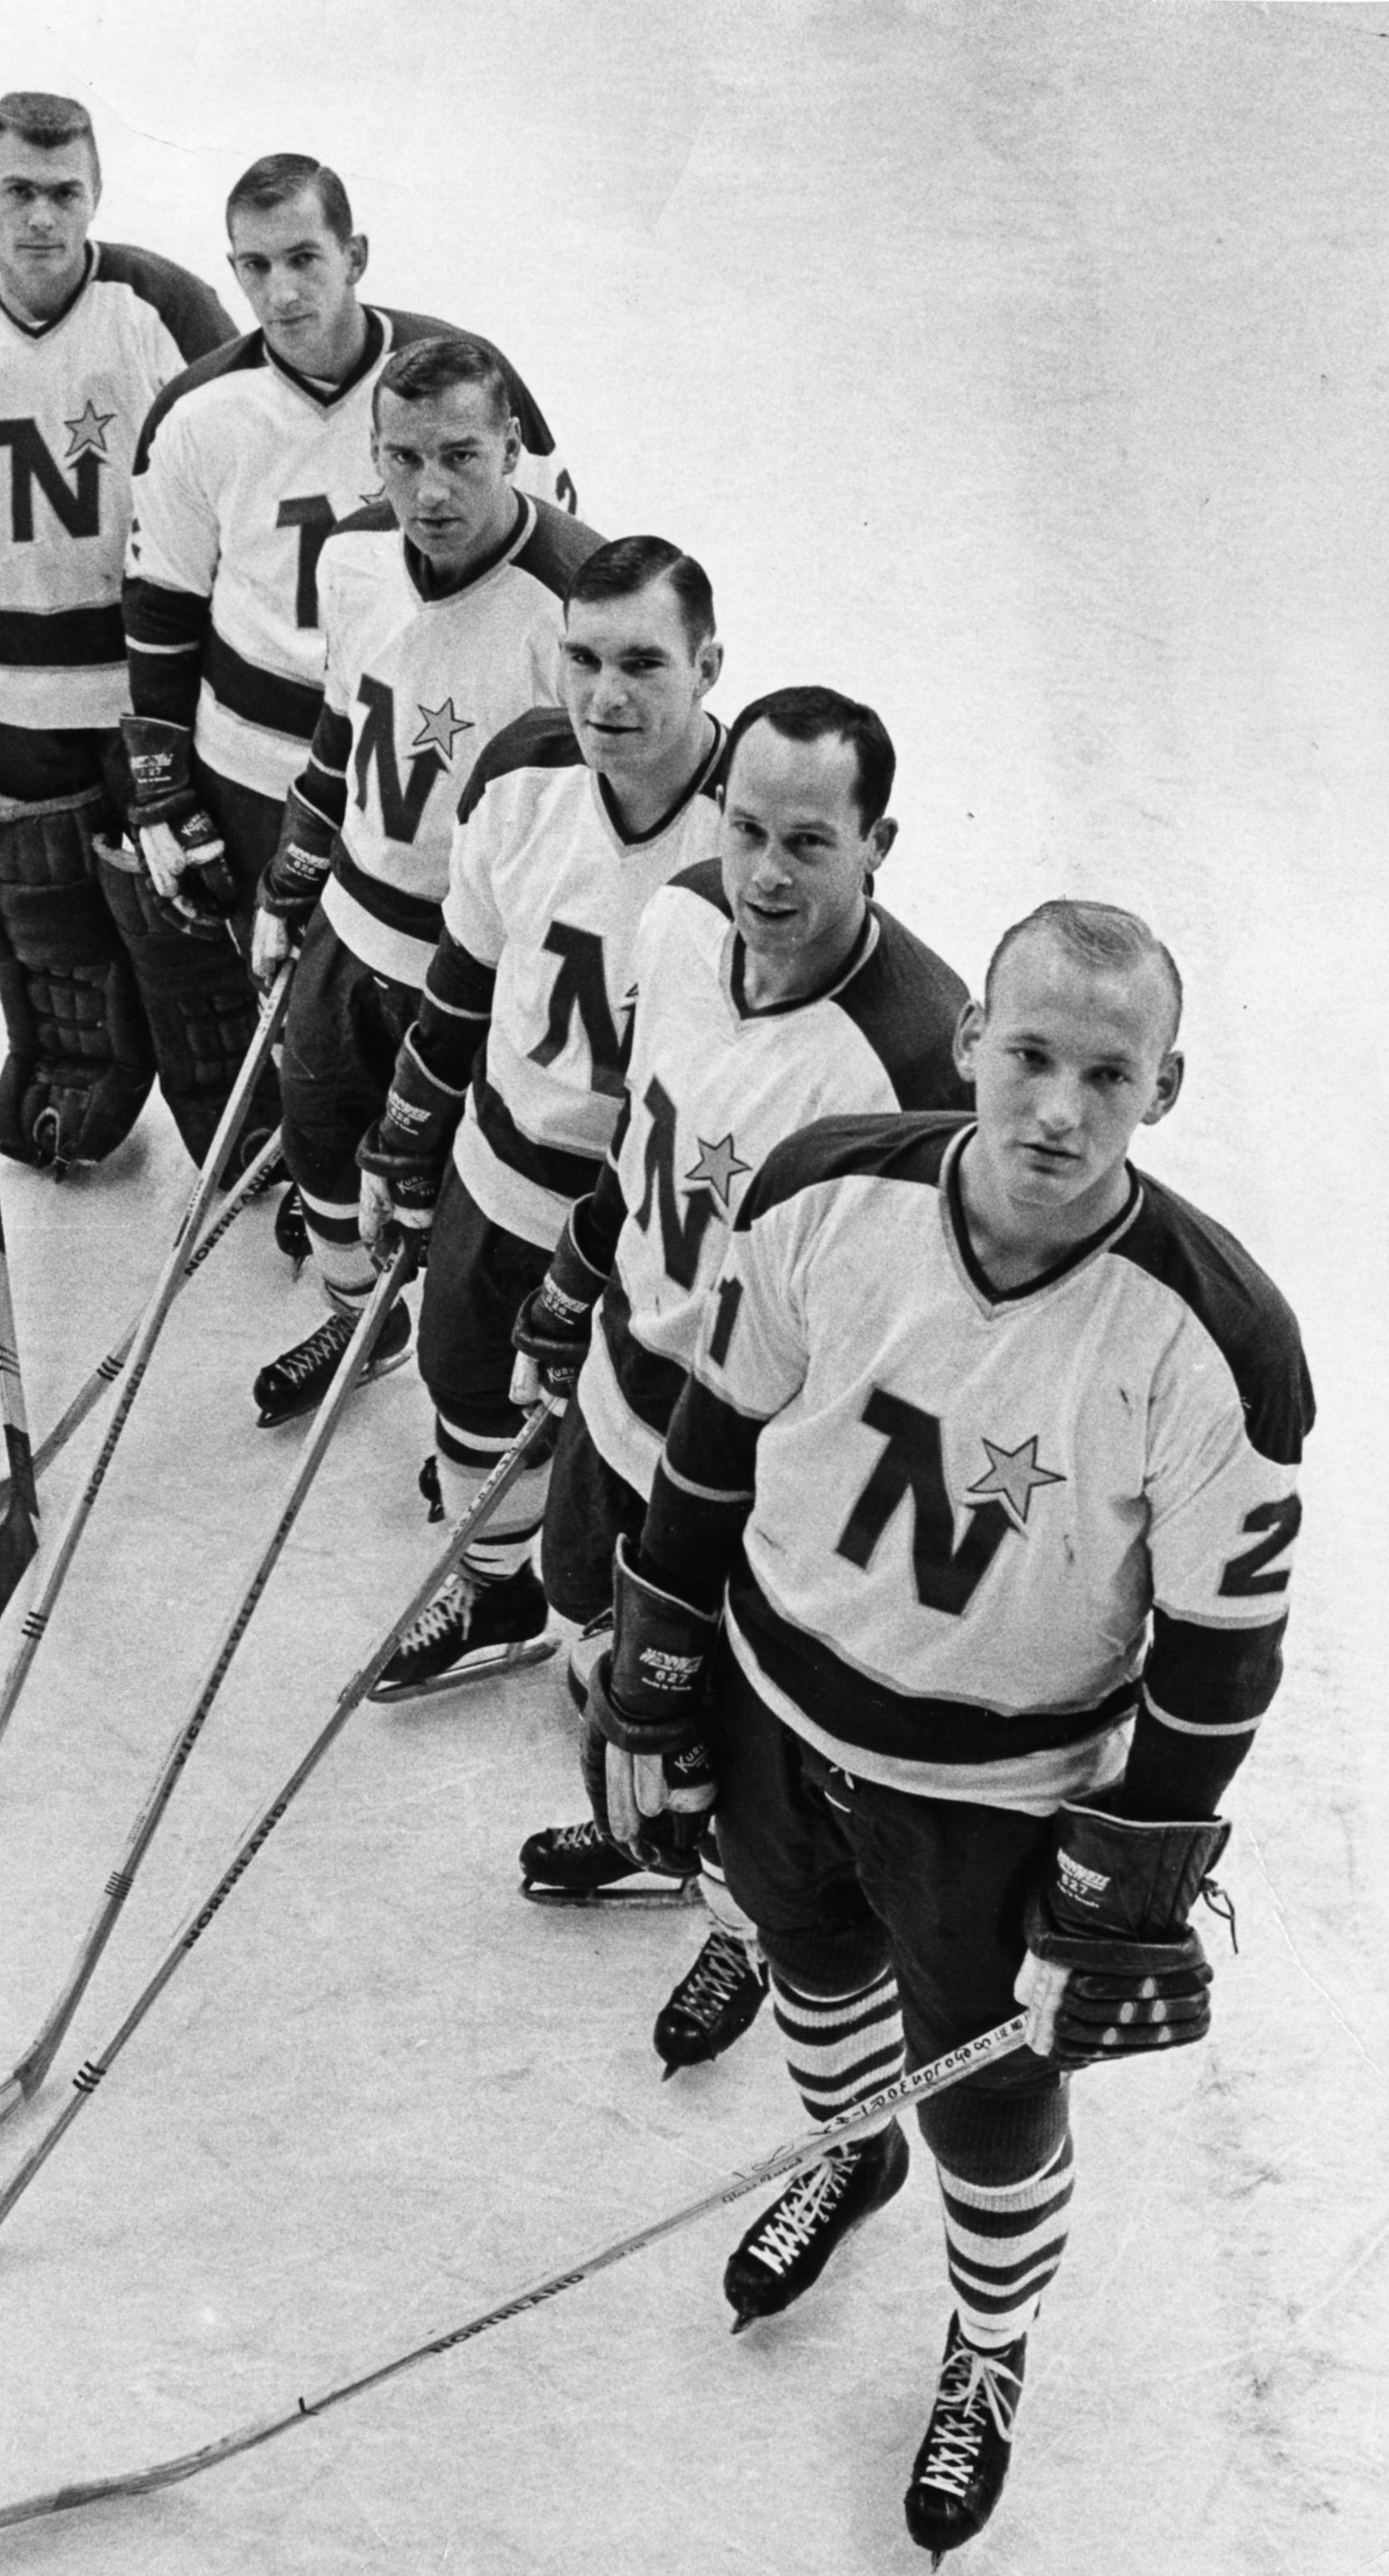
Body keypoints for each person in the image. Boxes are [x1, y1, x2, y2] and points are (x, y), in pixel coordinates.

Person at [585, 898, 1311, 2557]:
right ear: (973, 1038)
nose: (1059, 1108)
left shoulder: (1224, 1340)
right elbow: (718, 1430)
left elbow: (1221, 1654)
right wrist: (659, 1653)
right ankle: (850, 2152)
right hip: (776, 1714)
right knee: (809, 1970)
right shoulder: (824, 1189)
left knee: (988, 2105)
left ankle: (989, 2342)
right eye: (1031, 1053)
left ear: (1164, 1089)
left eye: (1108, 1076)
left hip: (992, 1804)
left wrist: (1118, 1892)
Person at [512, 688, 970, 2079]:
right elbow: (640, 1136)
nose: (768, 873)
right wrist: (575, 1275)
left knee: (729, 1737)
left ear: (878, 842)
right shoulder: (678, 918)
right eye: (749, 829)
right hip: (621, 1392)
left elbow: (915, 1345)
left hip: (752, 1468)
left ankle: (735, 1918)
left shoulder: (913, 1059)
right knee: (589, 1629)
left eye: (811, 843)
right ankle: (649, 1825)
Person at [119, 155, 579, 1183]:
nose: (281, 291)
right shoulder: (198, 408)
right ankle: (317, 1189)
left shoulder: (460, 379)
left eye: (304, 258)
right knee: (300, 1002)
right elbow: (162, 601)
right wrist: (160, 780)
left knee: (432, 1009)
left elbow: (548, 559)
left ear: (355, 254)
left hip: (429, 750)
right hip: (257, 762)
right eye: (253, 266)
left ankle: (410, 1199)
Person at [353, 538, 726, 1695]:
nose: (606, 695)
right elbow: (465, 975)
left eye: (643, 663)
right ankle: (491, 1581)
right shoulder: (521, 770)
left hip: (650, 1223)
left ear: (708, 666)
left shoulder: (748, 836)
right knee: (462, 1373)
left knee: (625, 1450)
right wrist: (410, 1127)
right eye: (583, 659)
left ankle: (619, 1627)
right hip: (502, 1163)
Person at [235, 337, 603, 1425]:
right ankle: (359, 1320)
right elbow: (342, 723)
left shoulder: (573, 600)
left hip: (470, 965)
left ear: (512, 449)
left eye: (461, 456)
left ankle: (458, 1372)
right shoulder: (354, 556)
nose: (431, 491)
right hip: (351, 925)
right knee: (317, 1139)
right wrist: (294, 865)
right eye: (403, 459)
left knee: (444, 1193)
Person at [0, 91, 236, 1172]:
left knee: (185, 897)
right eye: (18, 190)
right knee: (49, 907)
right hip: (5, 687)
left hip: (150, 685)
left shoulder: (163, 303)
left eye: (64, 192)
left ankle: (240, 1109)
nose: (41, 215)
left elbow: (239, 479)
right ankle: (73, 1077)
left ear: (98, 193)